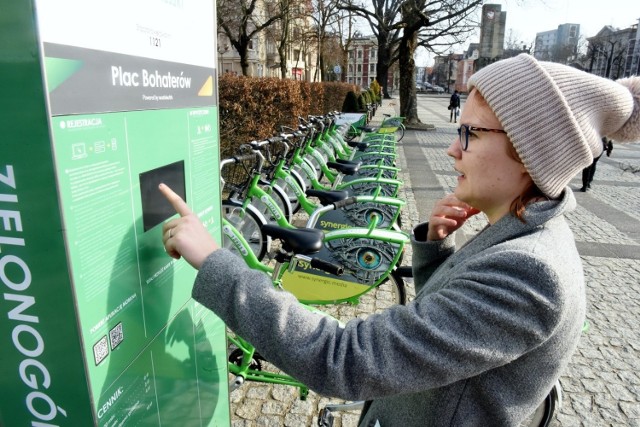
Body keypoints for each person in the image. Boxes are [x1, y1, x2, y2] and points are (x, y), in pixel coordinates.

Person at [159, 54, 640, 426]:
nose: (453, 148)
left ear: (530, 152)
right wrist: (434, 248)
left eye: (471, 134)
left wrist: (216, 261)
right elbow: (451, 343)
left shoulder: (531, 271)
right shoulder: (523, 235)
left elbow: (343, 359)